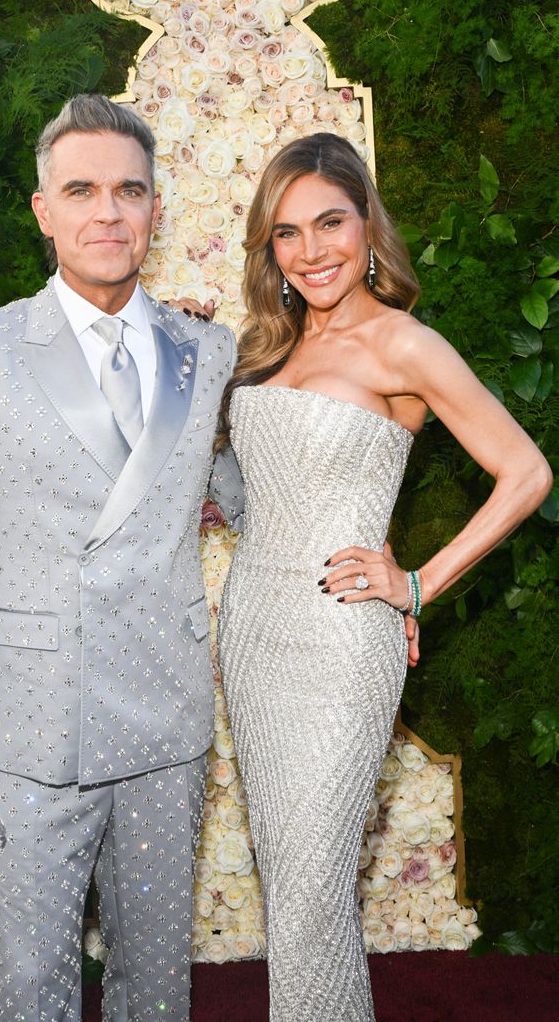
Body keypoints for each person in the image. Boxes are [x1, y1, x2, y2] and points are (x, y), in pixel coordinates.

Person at [0, 93, 244, 1022]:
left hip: (167, 715)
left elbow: (250, 497)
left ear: (155, 209)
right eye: (80, 189)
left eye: (129, 190)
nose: (107, 212)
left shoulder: (205, 353)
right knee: (31, 981)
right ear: (43, 211)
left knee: (157, 985)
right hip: (35, 721)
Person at [214, 133, 552, 1022]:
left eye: (331, 221)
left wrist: (416, 584)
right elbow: (260, 492)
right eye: (288, 233)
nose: (313, 250)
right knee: (289, 883)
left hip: (338, 638)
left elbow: (527, 473)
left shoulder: (404, 344)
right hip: (252, 632)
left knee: (316, 881)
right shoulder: (263, 347)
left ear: (368, 225)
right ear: (270, 249)